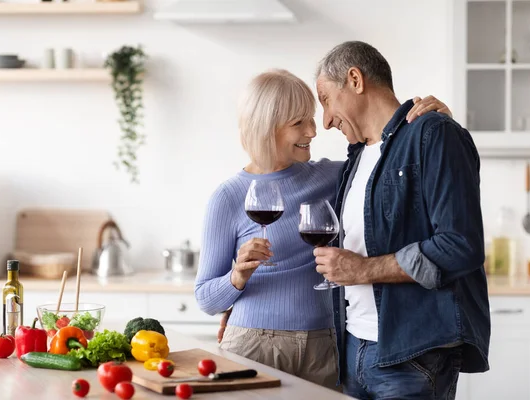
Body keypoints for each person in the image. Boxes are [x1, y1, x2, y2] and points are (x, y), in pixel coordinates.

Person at [195, 68, 452, 390]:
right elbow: (205, 298)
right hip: (253, 343)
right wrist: (237, 278)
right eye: (298, 123)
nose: (313, 131)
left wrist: (436, 123)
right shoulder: (228, 196)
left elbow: (398, 164)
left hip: (326, 345)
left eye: (311, 119)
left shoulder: (333, 175)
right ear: (266, 128)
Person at [313, 41, 490, 399]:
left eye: (326, 100)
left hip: (413, 353)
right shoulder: (356, 158)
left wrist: (362, 270)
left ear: (355, 80)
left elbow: (460, 246)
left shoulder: (435, 134)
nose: (326, 120)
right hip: (354, 348)